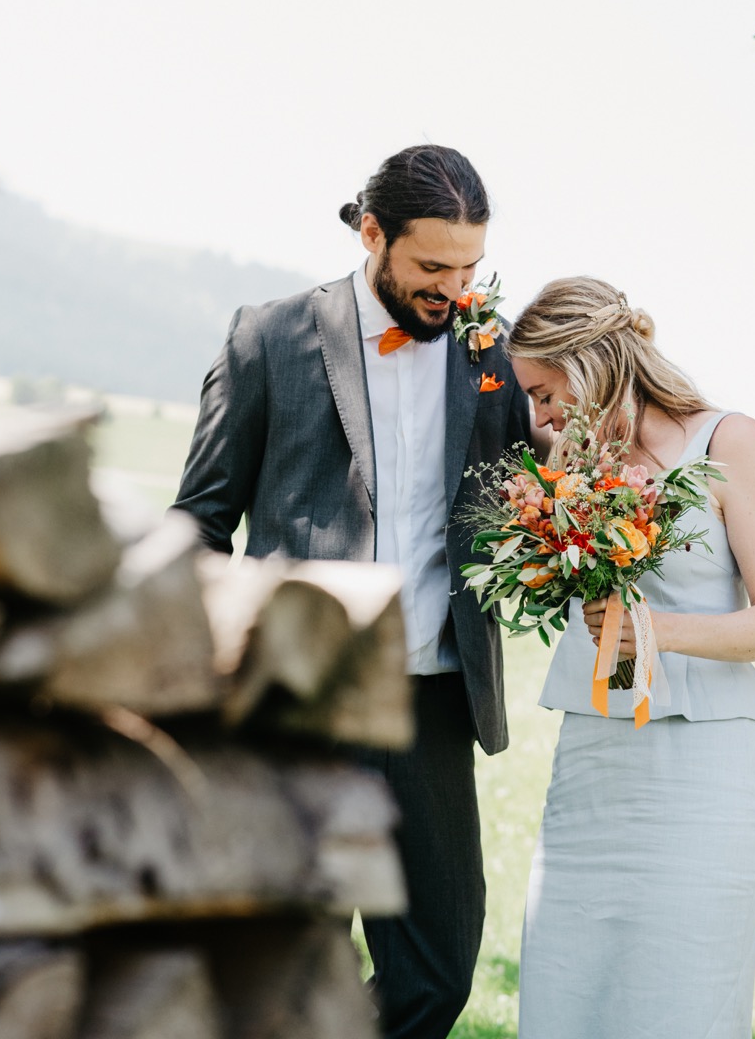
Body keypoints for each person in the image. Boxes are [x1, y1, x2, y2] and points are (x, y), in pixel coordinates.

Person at [172, 145, 533, 1039]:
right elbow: (199, 524)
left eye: (469, 267)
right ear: (371, 233)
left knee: (440, 971)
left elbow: (524, 496)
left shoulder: (488, 355)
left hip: (433, 701)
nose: (453, 288)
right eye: (431, 266)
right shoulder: (269, 338)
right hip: (298, 700)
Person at [505, 276, 755, 1039]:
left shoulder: (728, 441)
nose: (536, 416)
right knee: (566, 990)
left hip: (704, 770)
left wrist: (657, 629)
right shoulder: (567, 470)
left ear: (588, 362)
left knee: (681, 997)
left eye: (542, 392)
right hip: (595, 760)